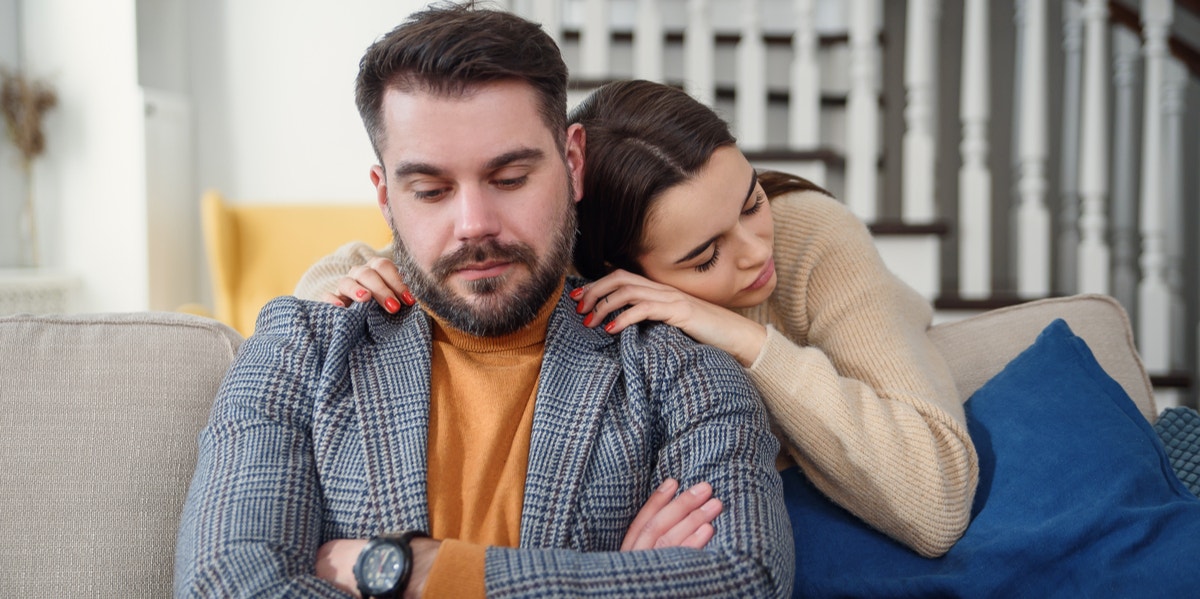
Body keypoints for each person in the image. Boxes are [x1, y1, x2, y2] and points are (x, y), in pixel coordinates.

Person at [174, 5, 793, 598]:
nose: (474, 224)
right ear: (385, 196)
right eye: (431, 190)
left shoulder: (678, 370)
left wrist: (413, 572)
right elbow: (225, 585)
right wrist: (608, 581)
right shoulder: (299, 351)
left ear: (573, 163)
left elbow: (744, 579)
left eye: (509, 180)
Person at [298, 79, 980, 559]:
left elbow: (937, 498)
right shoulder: (584, 288)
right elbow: (355, 270)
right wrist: (347, 278)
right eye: (705, 254)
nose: (754, 252)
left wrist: (742, 335)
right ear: (617, 273)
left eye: (748, 201)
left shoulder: (806, 237)